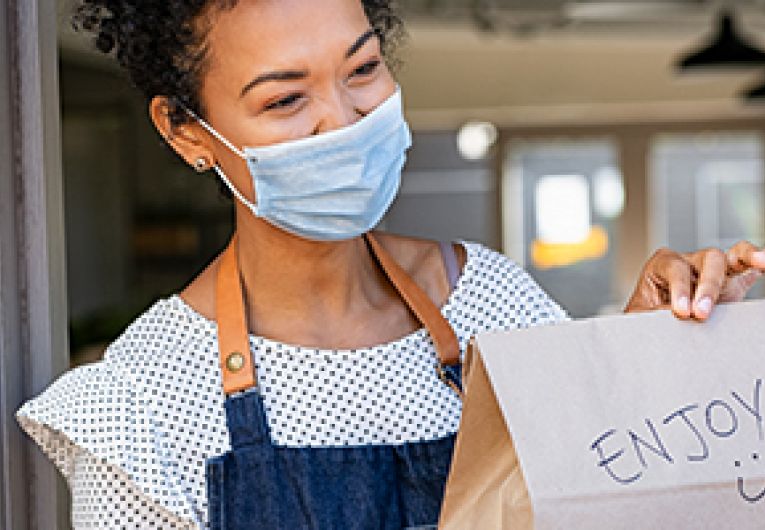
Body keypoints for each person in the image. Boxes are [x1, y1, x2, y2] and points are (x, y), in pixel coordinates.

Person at [16, 1, 765, 529]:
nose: (341, 122)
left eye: (363, 69)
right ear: (186, 131)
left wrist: (657, 347)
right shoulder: (144, 401)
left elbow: (609, 494)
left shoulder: (493, 305)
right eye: (284, 100)